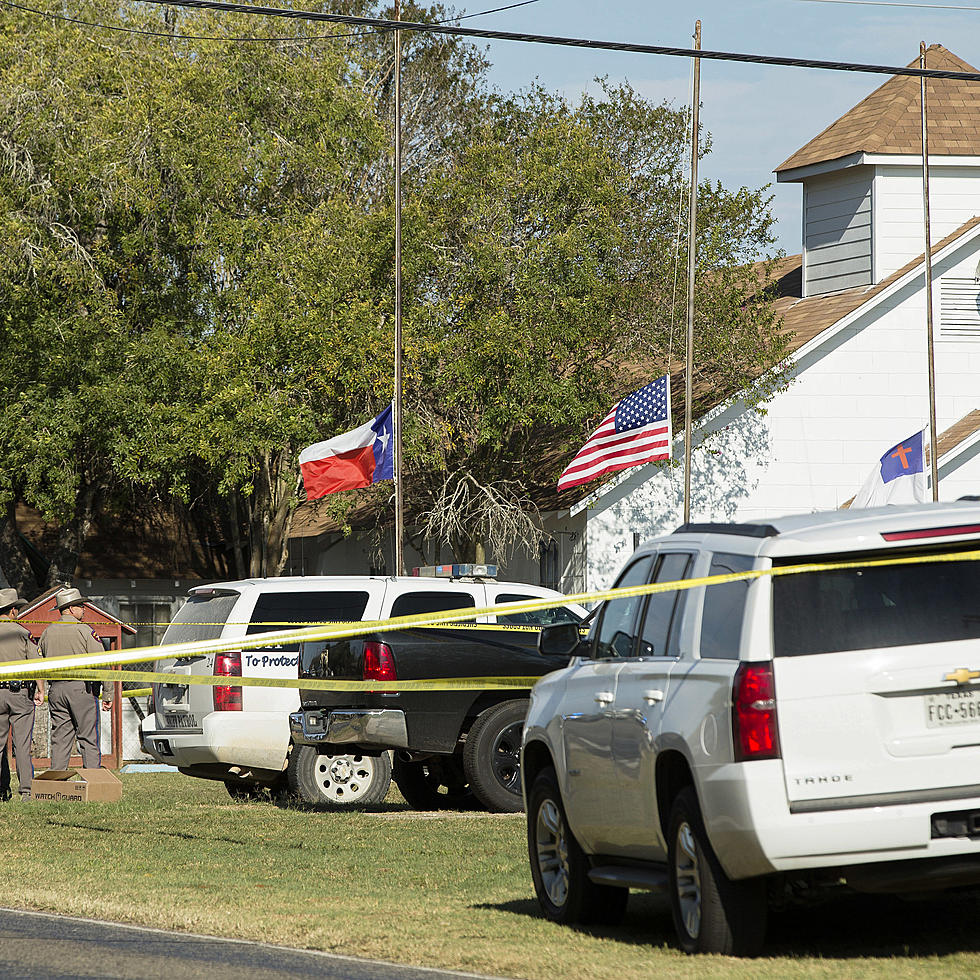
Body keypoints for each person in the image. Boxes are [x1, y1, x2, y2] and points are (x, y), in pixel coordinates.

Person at [39, 587, 111, 770]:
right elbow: (102, 662)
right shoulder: (85, 630)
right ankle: (94, 781)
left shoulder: (48, 632)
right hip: (81, 689)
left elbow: (38, 661)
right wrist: (108, 693)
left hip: (56, 690)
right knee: (87, 737)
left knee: (60, 739)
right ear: (71, 609)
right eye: (81, 605)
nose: (84, 609)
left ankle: (56, 783)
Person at [0, 588, 43, 799]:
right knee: (22, 745)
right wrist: (41, 689)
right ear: (13, 611)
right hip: (20, 694)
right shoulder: (23, 633)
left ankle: (1, 790)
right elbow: (36, 665)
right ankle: (26, 791)